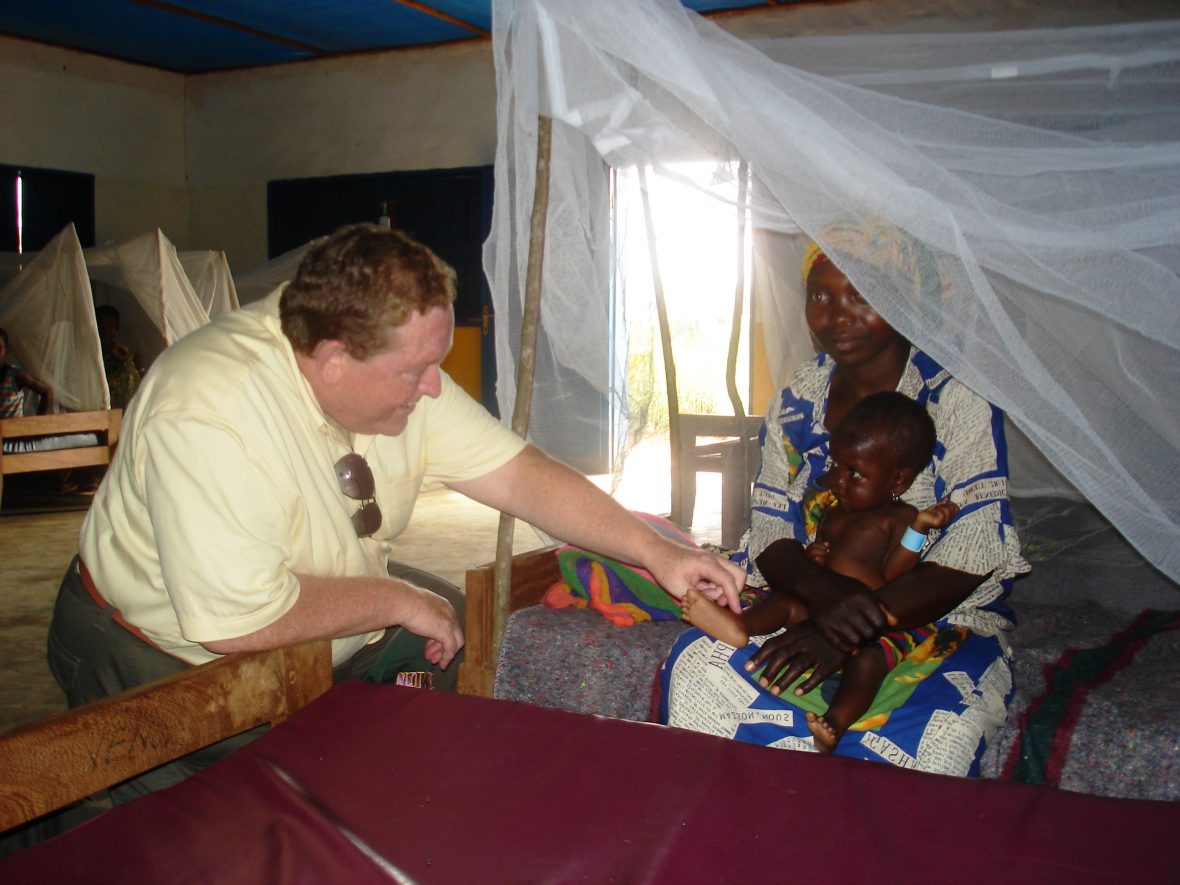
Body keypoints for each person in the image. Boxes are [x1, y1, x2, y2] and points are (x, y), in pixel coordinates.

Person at [46, 223, 745, 805]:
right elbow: (242, 620)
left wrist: (654, 550)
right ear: (331, 361)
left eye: (435, 361)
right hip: (163, 654)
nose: (434, 385)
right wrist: (393, 599)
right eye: (414, 371)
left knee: (441, 659)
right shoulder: (207, 410)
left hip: (306, 618)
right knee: (191, 830)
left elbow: (518, 473)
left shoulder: (388, 365)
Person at [660, 221, 1029, 776]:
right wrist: (825, 598)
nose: (837, 315)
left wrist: (856, 624)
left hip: (926, 618)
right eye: (820, 295)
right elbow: (770, 529)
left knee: (934, 736)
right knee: (699, 672)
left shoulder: (955, 399)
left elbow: (972, 552)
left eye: (863, 295)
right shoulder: (799, 398)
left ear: (905, 302)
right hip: (810, 595)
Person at [681, 390, 959, 753]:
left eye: (854, 473)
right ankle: (739, 626)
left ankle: (835, 722)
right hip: (819, 608)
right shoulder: (837, 508)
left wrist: (919, 529)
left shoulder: (899, 518)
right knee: (782, 603)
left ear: (897, 481)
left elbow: (895, 573)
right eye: (836, 466)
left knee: (870, 664)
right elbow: (826, 558)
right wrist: (817, 557)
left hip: (864, 625)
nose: (838, 480)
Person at [94, 304, 146, 410]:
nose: (105, 330)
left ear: (117, 328)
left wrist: (140, 369)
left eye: (110, 325)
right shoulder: (87, 357)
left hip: (123, 418)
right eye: (101, 325)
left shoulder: (129, 358)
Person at [0, 327, 55, 418]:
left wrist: (38, 423)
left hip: (15, 431)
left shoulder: (14, 375)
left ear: (6, 350)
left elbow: (47, 392)